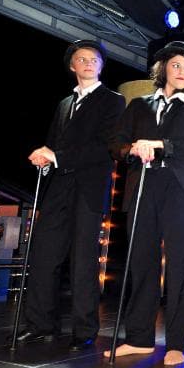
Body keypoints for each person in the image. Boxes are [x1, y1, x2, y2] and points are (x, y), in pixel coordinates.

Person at [106, 41, 184, 366]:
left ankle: (176, 343)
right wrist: (131, 149)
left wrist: (161, 145)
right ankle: (139, 339)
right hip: (142, 186)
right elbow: (116, 143)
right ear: (163, 68)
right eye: (176, 65)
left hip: (179, 191)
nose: (182, 71)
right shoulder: (139, 105)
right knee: (141, 264)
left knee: (180, 267)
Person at [17, 40, 125, 351]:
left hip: (88, 189)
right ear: (72, 65)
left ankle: (84, 328)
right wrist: (45, 159)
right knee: (43, 255)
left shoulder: (113, 101)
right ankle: (40, 324)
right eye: (82, 58)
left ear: (101, 66)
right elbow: (54, 143)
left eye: (94, 59)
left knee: (83, 260)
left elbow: (105, 147)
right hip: (58, 189)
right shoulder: (64, 103)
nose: (88, 63)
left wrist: (58, 157)